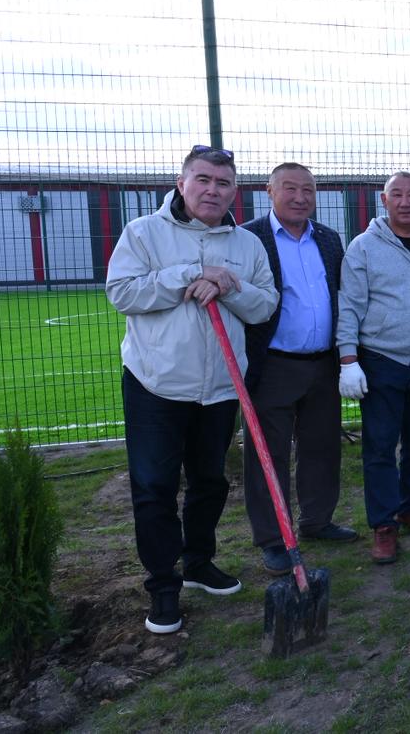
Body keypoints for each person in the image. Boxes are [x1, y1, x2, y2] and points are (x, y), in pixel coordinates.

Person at [106, 144, 278, 634]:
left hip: (221, 386)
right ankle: (163, 587)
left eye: (223, 183)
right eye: (203, 179)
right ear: (182, 183)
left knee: (210, 482)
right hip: (157, 385)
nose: (212, 190)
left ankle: (198, 561)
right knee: (155, 487)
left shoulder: (246, 245)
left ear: (234, 192)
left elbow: (265, 306)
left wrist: (231, 287)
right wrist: (191, 275)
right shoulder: (143, 234)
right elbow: (123, 292)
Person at [242, 162, 357, 577]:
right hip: (272, 364)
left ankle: (317, 520)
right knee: (267, 455)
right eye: (289, 189)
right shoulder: (249, 237)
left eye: (308, 190)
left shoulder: (327, 238)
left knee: (322, 446)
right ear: (269, 191)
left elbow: (340, 295)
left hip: (321, 364)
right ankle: (274, 539)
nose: (300, 197)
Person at [337, 171, 410, 565]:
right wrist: (348, 359)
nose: (405, 202)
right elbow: (349, 305)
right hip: (382, 359)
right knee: (381, 446)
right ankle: (384, 525)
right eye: (396, 195)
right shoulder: (363, 247)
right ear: (384, 202)